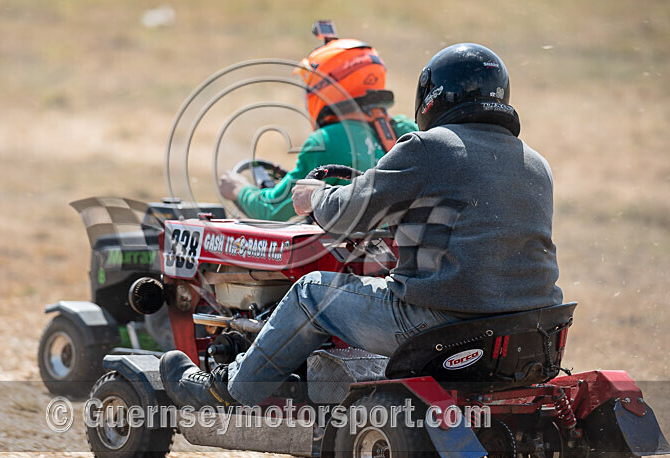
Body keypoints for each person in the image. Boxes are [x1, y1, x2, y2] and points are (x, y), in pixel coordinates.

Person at [161, 43, 563, 409]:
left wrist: (314, 197)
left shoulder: (429, 147)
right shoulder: (535, 163)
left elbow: (347, 211)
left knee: (311, 293)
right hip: (529, 327)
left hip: (439, 323)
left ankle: (225, 391)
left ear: (434, 96)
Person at [219, 24, 417, 221]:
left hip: (354, 251)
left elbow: (271, 210)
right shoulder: (408, 131)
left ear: (327, 87)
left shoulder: (327, 141)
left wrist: (238, 189)